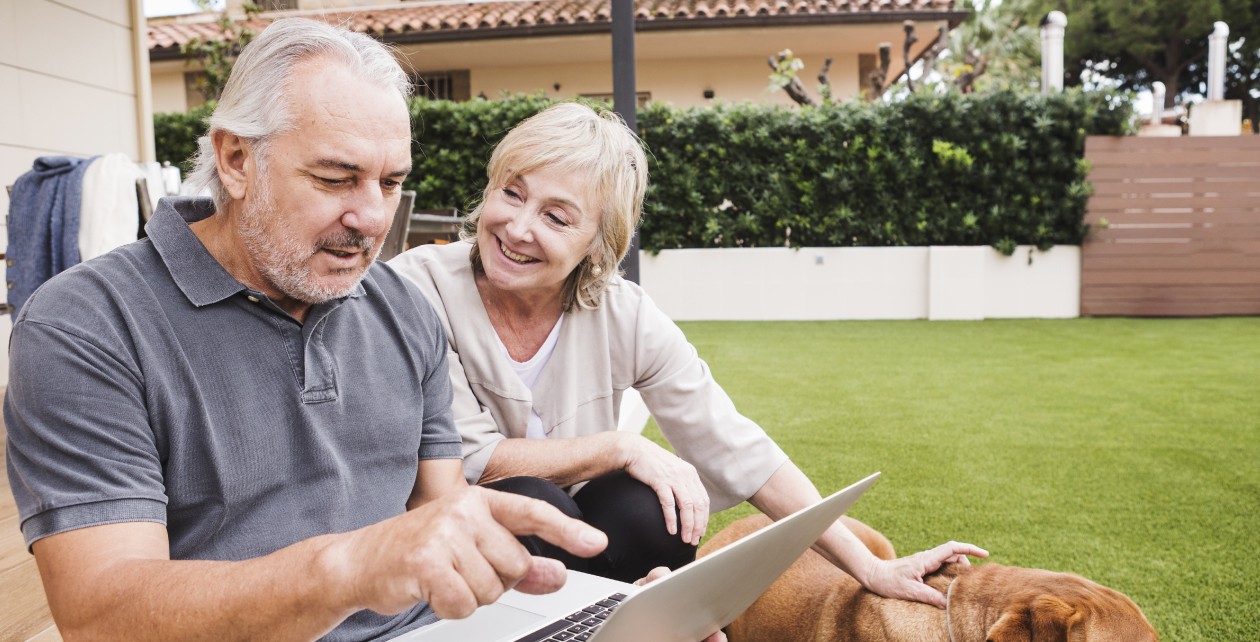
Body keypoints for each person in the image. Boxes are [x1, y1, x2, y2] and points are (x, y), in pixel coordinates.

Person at [3, 19, 610, 642]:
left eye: (391, 182)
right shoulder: (87, 325)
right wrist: (348, 569)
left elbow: (439, 508)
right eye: (335, 178)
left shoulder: (401, 308)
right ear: (236, 160)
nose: (372, 217)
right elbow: (103, 614)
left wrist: (603, 613)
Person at [388, 102, 987, 603]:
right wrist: (622, 446)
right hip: (452, 543)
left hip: (569, 550)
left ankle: (619, 619)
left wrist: (870, 567)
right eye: (511, 194)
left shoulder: (622, 311)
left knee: (653, 504)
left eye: (556, 217)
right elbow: (469, 463)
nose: (518, 228)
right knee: (530, 501)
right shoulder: (420, 287)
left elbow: (735, 446)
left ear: (598, 245)